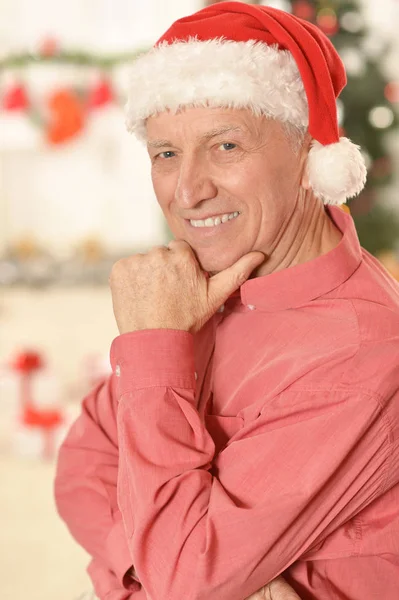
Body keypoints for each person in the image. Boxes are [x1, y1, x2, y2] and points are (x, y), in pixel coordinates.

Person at [55, 2, 399, 599]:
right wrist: (154, 566)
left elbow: (190, 581)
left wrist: (155, 348)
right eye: (165, 153)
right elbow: (81, 471)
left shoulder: (366, 354)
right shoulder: (200, 293)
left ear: (306, 154)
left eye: (226, 146)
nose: (187, 190)